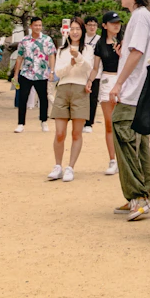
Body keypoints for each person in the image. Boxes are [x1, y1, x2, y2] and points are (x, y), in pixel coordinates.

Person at [108, 0, 150, 223]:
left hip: (132, 90)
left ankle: (137, 195)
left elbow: (138, 52)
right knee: (140, 141)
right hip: (142, 90)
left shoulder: (139, 17)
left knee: (123, 134)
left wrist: (118, 83)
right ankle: (141, 195)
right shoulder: (148, 17)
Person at [47, 18, 95, 182]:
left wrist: (79, 57)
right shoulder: (61, 50)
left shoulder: (88, 49)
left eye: (78, 29)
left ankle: (70, 167)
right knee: (60, 132)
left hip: (80, 90)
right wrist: (71, 62)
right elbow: (59, 72)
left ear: (82, 31)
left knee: (76, 132)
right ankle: (58, 165)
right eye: (72, 29)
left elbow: (89, 68)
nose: (75, 32)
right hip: (63, 89)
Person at [86, 11, 123, 174]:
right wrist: (89, 81)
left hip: (123, 81)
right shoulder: (100, 44)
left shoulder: (124, 42)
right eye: (113, 22)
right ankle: (112, 159)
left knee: (124, 123)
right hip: (107, 80)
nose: (116, 25)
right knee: (109, 123)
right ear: (105, 25)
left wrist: (121, 54)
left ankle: (125, 159)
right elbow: (95, 68)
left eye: (118, 22)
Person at [11, 17, 56, 132]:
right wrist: (16, 74)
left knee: (43, 98)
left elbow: (51, 55)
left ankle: (44, 121)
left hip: (42, 73)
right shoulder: (24, 41)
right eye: (35, 25)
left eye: (40, 25)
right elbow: (20, 57)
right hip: (27, 73)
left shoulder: (47, 40)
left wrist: (51, 71)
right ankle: (21, 123)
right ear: (31, 26)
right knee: (23, 98)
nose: (38, 27)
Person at [82, 16, 100, 133]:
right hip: (82, 72)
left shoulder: (99, 39)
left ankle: (89, 123)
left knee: (93, 98)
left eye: (94, 25)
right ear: (85, 26)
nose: (92, 27)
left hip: (96, 73)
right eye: (90, 25)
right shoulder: (81, 38)